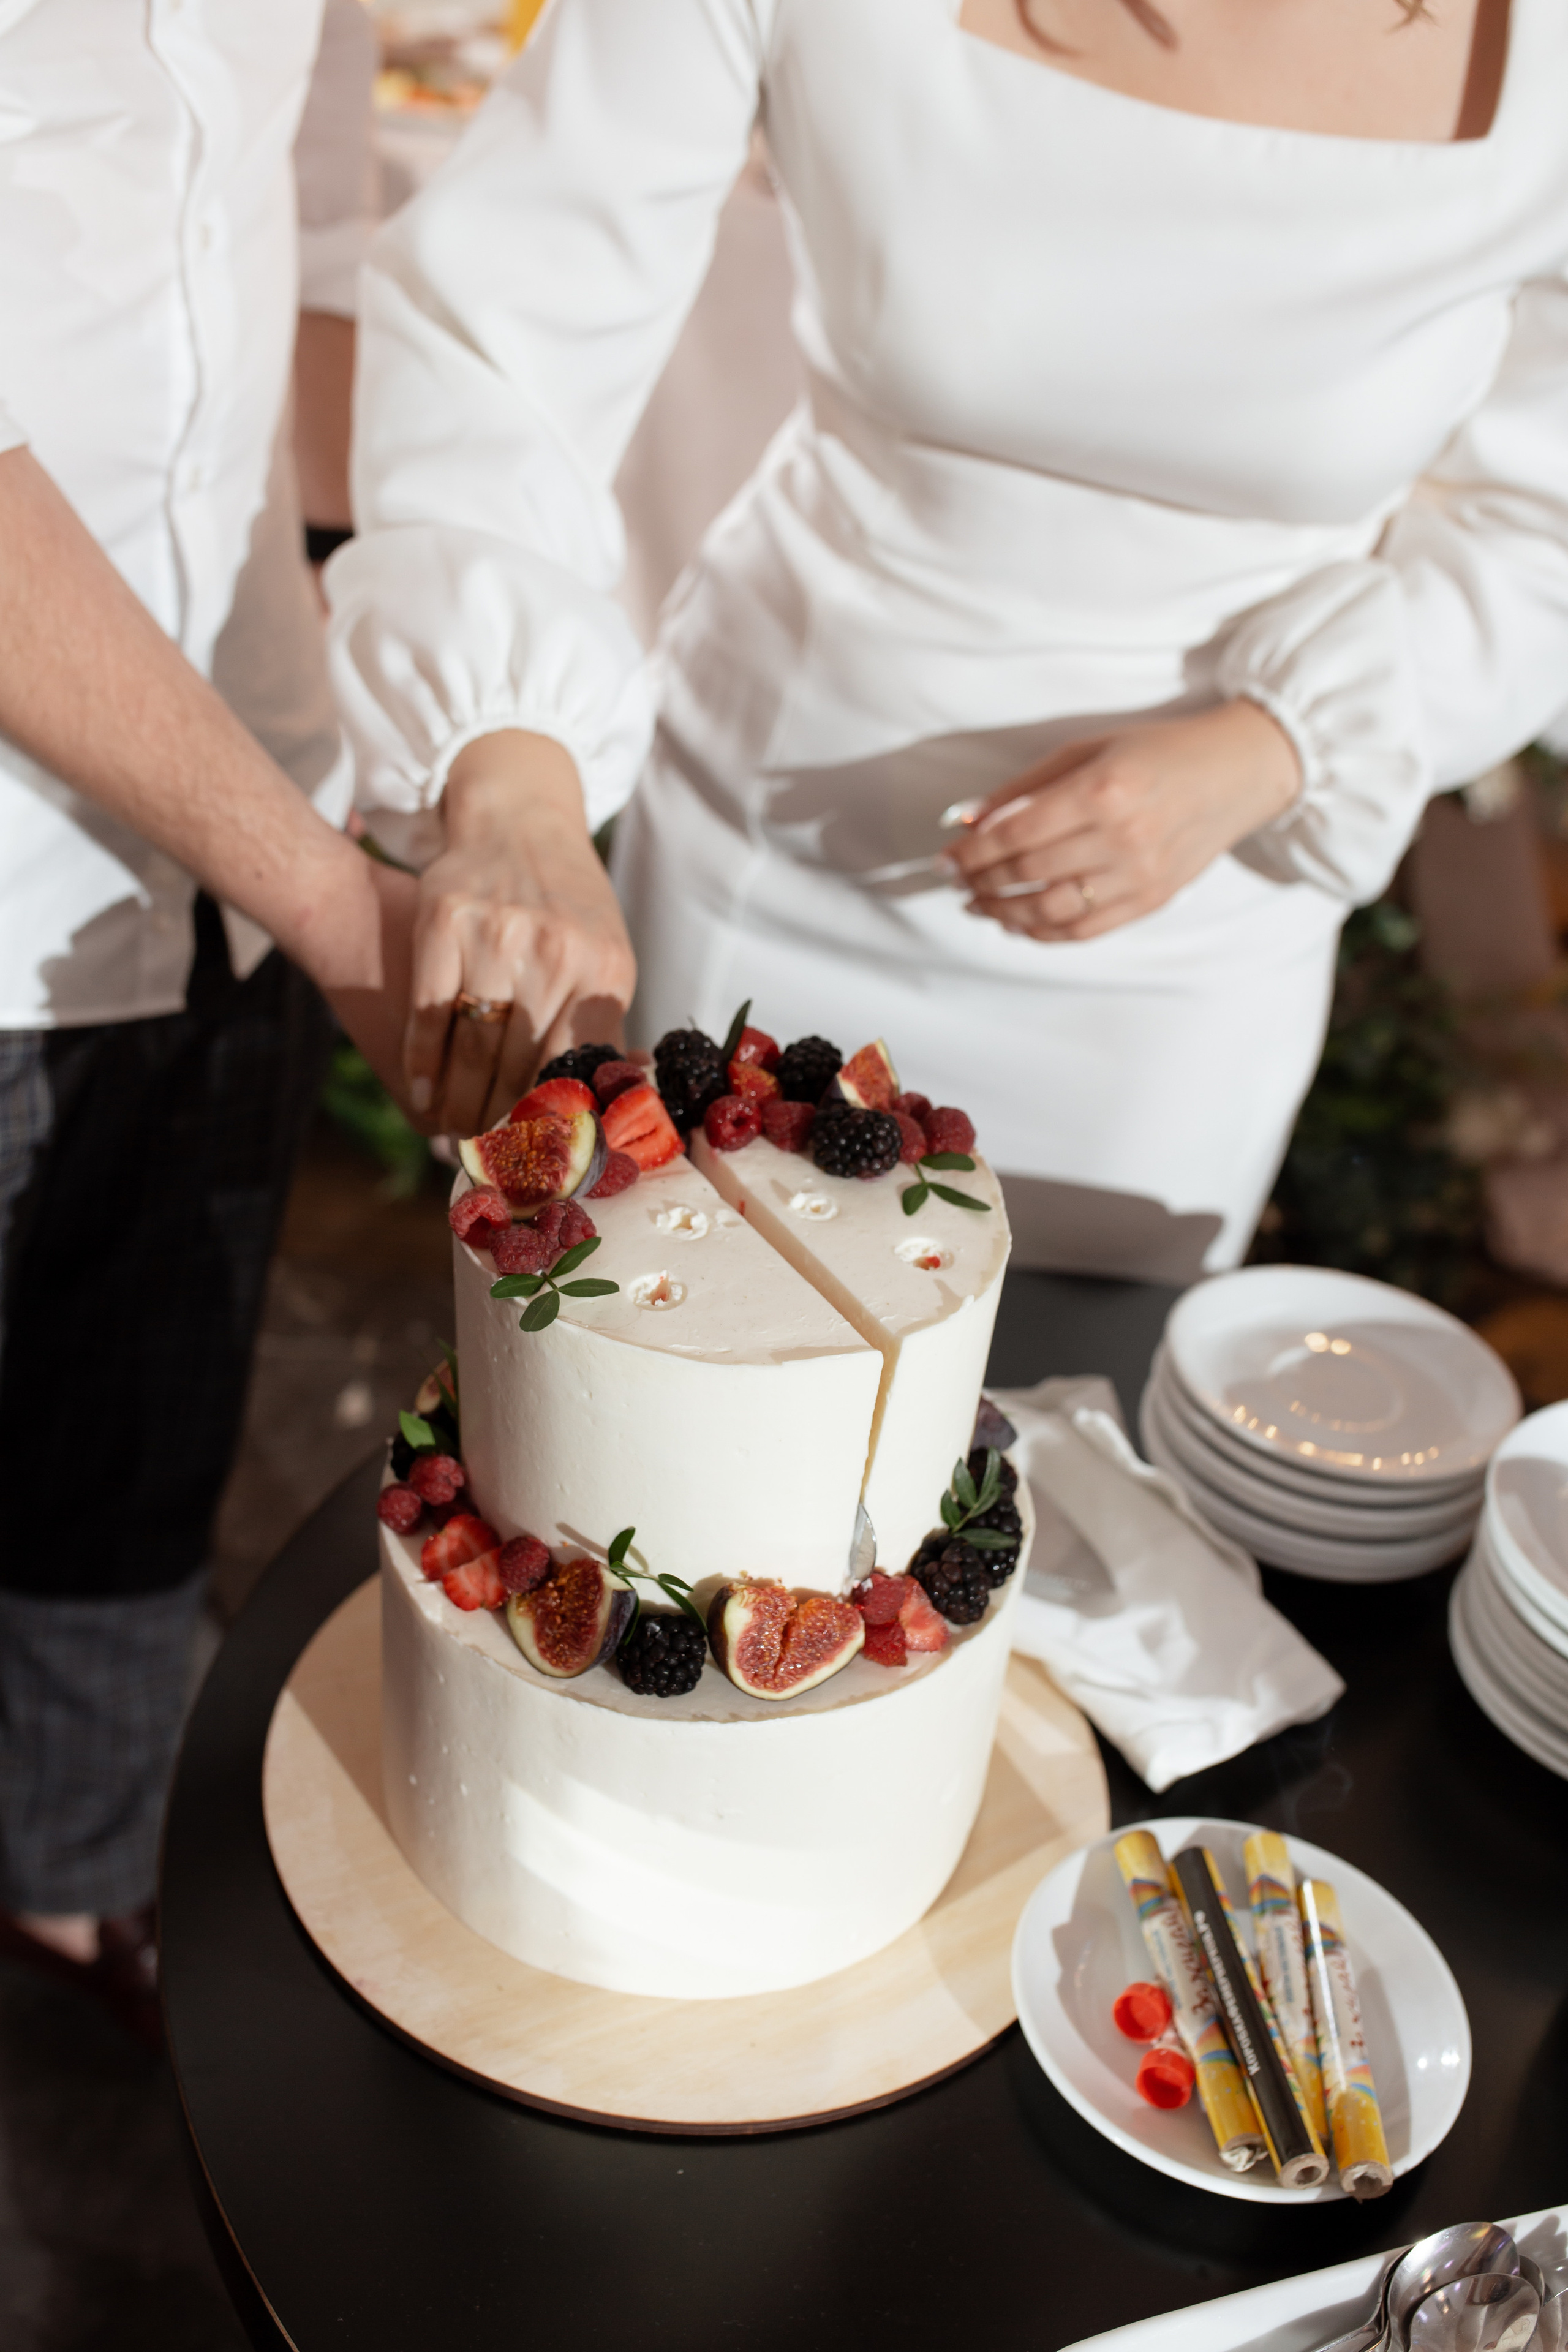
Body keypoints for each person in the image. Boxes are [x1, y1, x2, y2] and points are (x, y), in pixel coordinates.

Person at [330, 0, 1568, 1283]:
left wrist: (1266, 750)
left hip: (1189, 954)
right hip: (765, 869)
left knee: (1054, 1448)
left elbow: (1541, 530)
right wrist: (515, 787)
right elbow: (503, 324)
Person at [0, 0, 603, 2043]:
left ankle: (74, 1869)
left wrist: (485, 767)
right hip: (135, 866)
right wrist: (350, 907)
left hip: (240, 811)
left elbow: (320, 249)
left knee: (135, 1424)